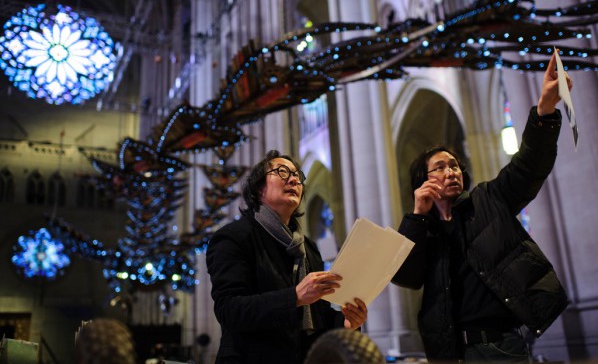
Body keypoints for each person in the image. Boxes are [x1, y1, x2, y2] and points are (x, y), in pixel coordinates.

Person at [392, 51, 570, 363]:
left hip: (501, 346)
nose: (452, 171)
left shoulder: (487, 200)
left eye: (455, 165)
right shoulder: (422, 230)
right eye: (441, 167)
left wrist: (544, 112)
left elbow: (528, 168)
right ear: (423, 180)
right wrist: (417, 216)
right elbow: (406, 277)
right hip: (451, 352)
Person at [206, 150, 367, 364]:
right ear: (258, 188)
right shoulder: (233, 237)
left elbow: (318, 314)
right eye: (282, 172)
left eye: (297, 176)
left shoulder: (307, 247)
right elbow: (229, 310)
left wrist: (345, 322)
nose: (293, 179)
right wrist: (295, 296)